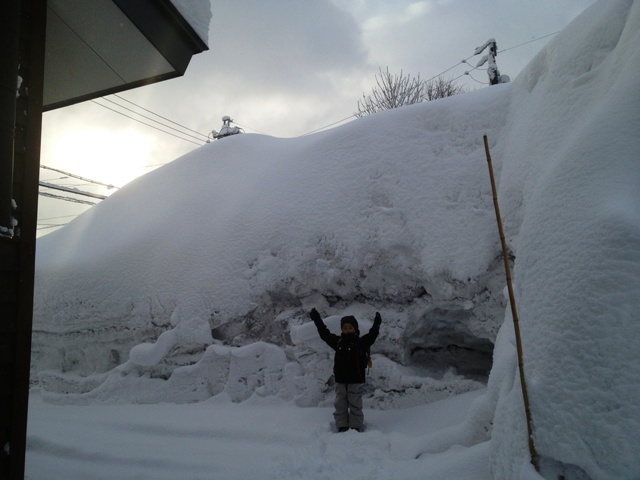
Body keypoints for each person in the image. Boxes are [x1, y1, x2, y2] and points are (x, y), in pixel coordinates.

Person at [310, 308, 382, 432]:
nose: (347, 330)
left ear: (355, 328)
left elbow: (372, 335)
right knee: (340, 404)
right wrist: (317, 320)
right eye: (345, 328)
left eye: (350, 327)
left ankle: (356, 426)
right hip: (341, 379)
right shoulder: (338, 342)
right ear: (342, 330)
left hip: (356, 380)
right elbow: (324, 334)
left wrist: (376, 324)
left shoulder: (361, 343)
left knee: (355, 404)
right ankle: (342, 425)